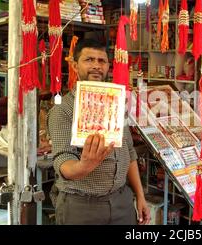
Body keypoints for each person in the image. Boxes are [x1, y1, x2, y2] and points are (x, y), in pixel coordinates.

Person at [47, 39, 150, 225]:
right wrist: (83, 166)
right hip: (82, 207)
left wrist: (140, 195)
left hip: (122, 202)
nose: (96, 66)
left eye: (101, 61)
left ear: (108, 66)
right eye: (89, 60)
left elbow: (129, 152)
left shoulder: (116, 104)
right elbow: (62, 160)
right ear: (74, 65)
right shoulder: (62, 110)